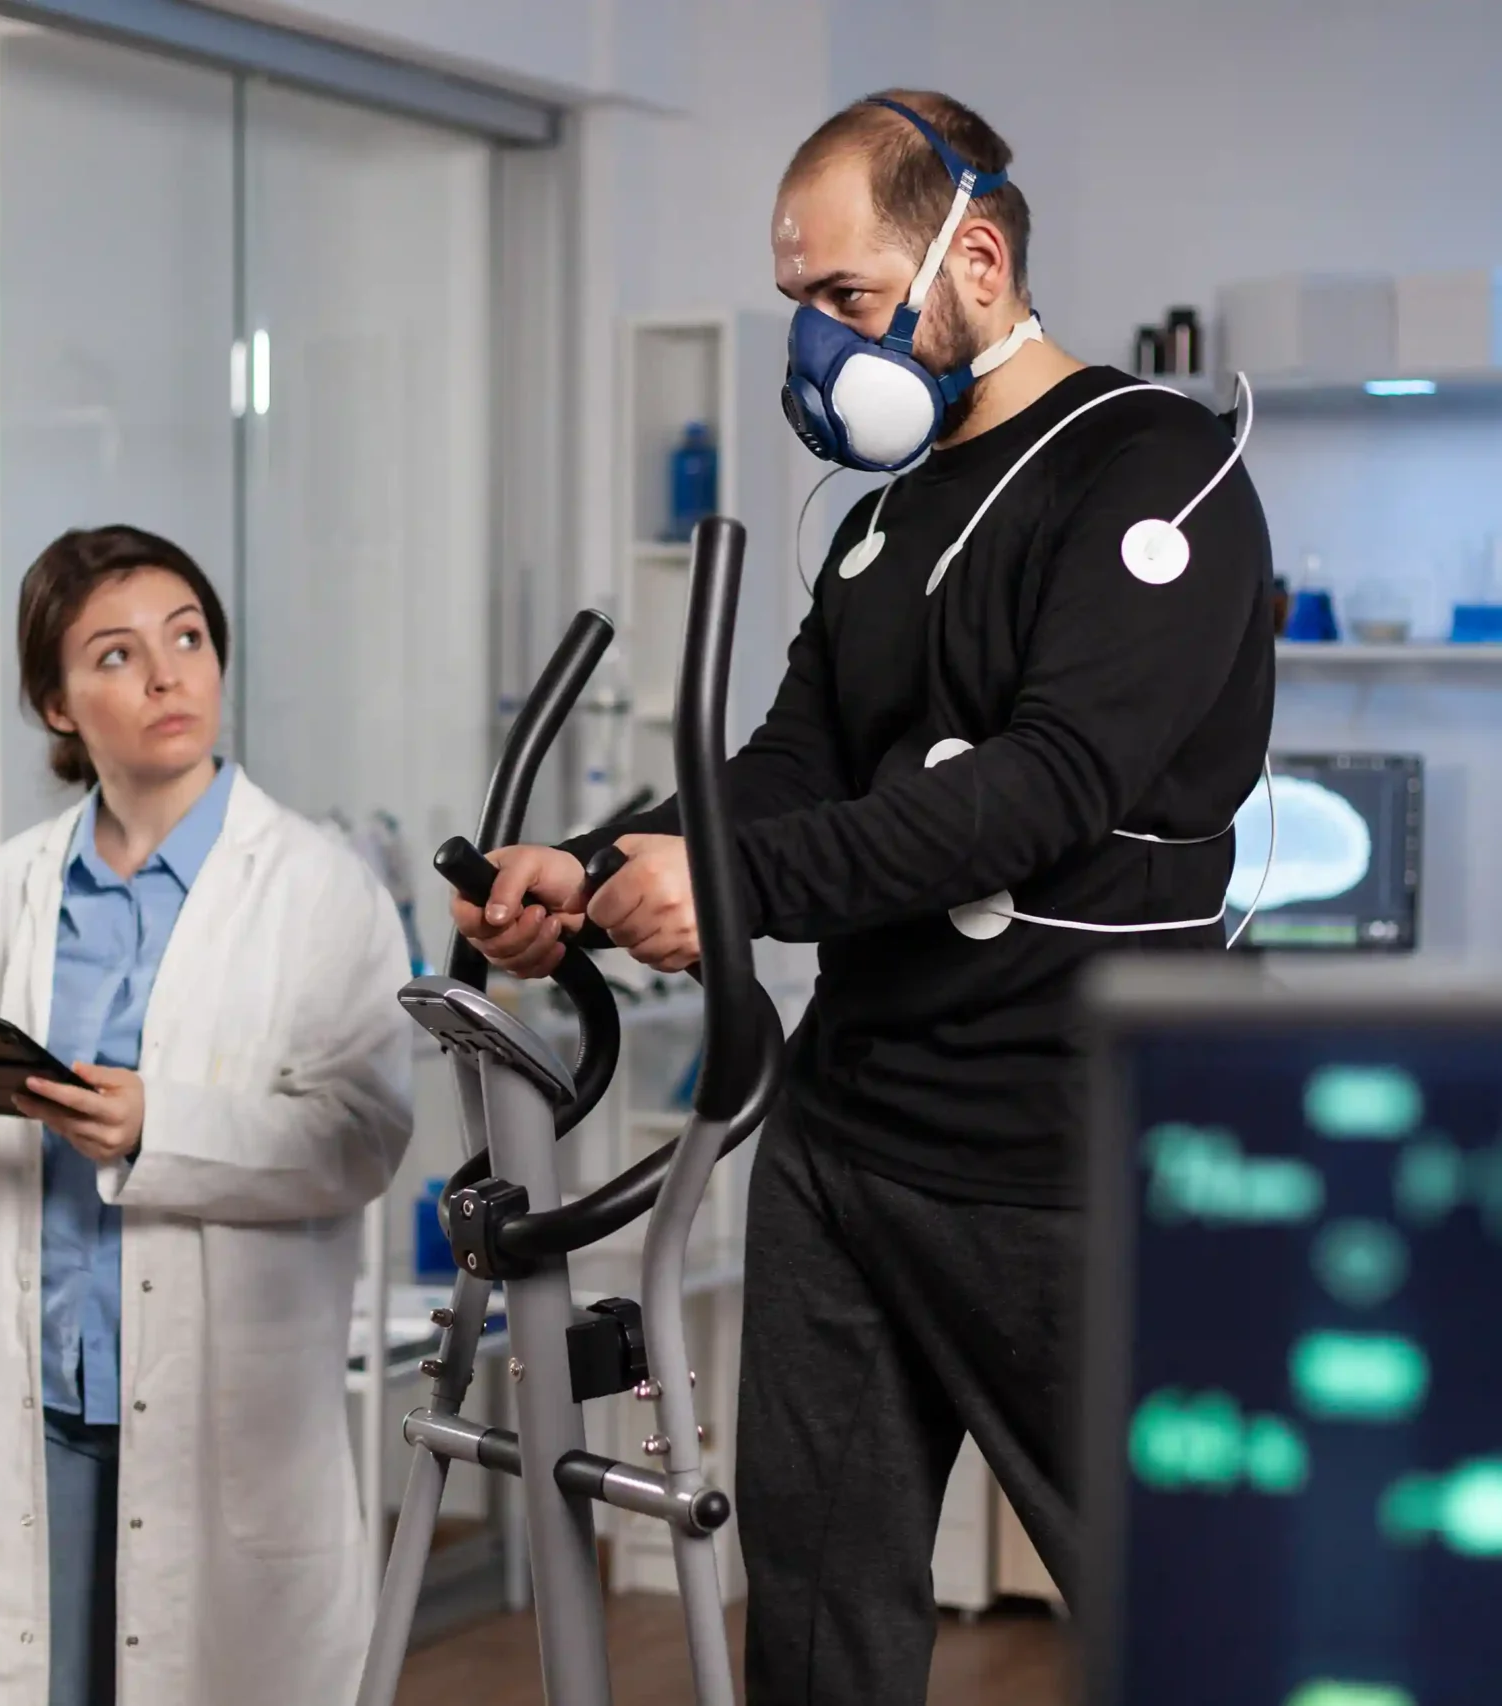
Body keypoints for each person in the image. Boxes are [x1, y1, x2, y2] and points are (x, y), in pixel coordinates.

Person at [456, 91, 1274, 1703]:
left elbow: (1045, 788)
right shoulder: (880, 521)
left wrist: (739, 885)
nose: (819, 350)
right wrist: (610, 858)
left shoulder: (1154, 469)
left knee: (1186, 1614)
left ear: (975, 259)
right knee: (820, 1614)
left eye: (845, 301)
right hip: (850, 1139)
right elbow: (786, 765)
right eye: (799, 310)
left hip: (1071, 1148)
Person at [0, 525, 414, 1706]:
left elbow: (361, 1136)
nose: (166, 674)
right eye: (116, 653)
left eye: (187, 638)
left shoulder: (313, 886)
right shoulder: (16, 883)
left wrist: (161, 1126)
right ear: (54, 702)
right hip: (45, 1390)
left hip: (218, 1402)